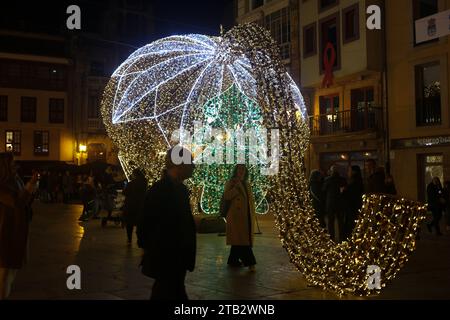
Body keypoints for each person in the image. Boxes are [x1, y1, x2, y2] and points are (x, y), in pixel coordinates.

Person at [137, 147, 196, 300]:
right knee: (167, 290)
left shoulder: (181, 189)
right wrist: (148, 247)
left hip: (178, 255)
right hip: (166, 255)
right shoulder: (159, 190)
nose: (193, 166)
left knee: (169, 290)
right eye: (190, 162)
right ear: (179, 164)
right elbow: (145, 221)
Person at [0, 152, 38, 299]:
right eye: (12, 163)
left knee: (12, 270)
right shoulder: (2, 185)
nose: (16, 165)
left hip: (17, 228)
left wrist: (32, 186)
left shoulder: (15, 180)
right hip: (5, 231)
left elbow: (24, 201)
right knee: (5, 272)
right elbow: (17, 202)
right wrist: (30, 186)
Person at [223, 164, 257, 271]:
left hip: (246, 216)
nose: (241, 171)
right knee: (243, 241)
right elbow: (226, 196)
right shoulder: (232, 182)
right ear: (236, 171)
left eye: (243, 169)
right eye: (239, 169)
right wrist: (236, 188)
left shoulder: (247, 184)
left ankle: (233, 260)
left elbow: (249, 201)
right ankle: (250, 263)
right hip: (236, 217)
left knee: (238, 241)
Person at [122, 168, 147, 244]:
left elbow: (125, 192)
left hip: (131, 205)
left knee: (129, 223)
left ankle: (129, 239)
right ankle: (140, 239)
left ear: (134, 175)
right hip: (141, 205)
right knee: (140, 223)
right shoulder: (144, 183)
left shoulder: (131, 183)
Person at [322, 165, 346, 242]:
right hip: (340, 202)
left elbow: (323, 190)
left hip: (330, 203)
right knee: (340, 221)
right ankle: (342, 237)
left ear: (331, 171)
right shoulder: (342, 179)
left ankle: (332, 238)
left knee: (330, 222)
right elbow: (345, 190)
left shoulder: (327, 180)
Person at [342, 166, 364, 241]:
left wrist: (344, 191)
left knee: (352, 225)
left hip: (352, 207)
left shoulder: (354, 182)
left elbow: (351, 194)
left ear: (354, 172)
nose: (348, 173)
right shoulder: (358, 181)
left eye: (349, 171)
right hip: (355, 206)